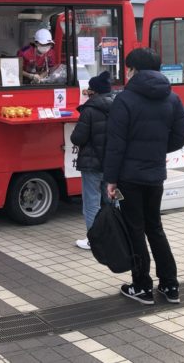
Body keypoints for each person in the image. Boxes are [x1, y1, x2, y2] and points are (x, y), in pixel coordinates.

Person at [103, 48, 184, 305]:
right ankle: (170, 285)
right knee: (155, 227)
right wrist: (156, 150)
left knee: (135, 229)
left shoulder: (124, 100)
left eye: (128, 68)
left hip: (128, 178)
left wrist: (110, 180)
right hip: (155, 176)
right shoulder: (172, 98)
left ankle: (141, 286)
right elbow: (180, 136)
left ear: (133, 69)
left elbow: (115, 145)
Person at [70, 71, 114, 250]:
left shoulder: (89, 110)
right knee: (113, 200)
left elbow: (77, 138)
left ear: (94, 91)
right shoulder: (119, 106)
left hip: (92, 165)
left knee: (91, 203)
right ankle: (117, 235)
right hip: (112, 165)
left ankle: (94, 240)